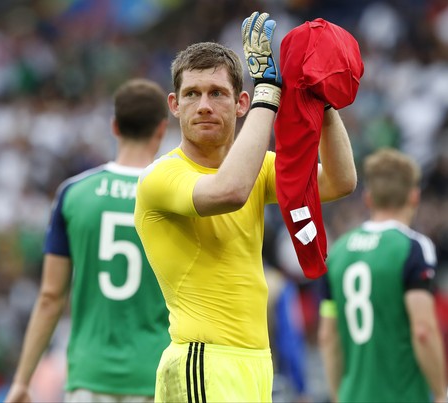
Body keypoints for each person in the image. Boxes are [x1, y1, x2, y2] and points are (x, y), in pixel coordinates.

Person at [134, 11, 357, 402]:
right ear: (174, 104)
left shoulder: (257, 166)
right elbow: (230, 190)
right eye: (192, 94)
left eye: (216, 93)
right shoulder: (159, 177)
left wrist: (320, 101)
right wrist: (268, 91)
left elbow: (340, 181)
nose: (203, 105)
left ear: (240, 103)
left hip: (255, 362)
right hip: (202, 361)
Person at [4, 78, 171, 403]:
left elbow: (51, 297)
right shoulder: (173, 194)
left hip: (89, 376)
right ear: (162, 129)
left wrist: (23, 380)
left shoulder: (74, 193)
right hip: (155, 374)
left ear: (114, 126)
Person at [318, 148, 447, 403]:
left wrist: (338, 396)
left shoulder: (338, 252)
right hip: (404, 396)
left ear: (368, 198)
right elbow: (423, 329)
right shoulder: (413, 247)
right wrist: (441, 392)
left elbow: (327, 335)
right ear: (414, 196)